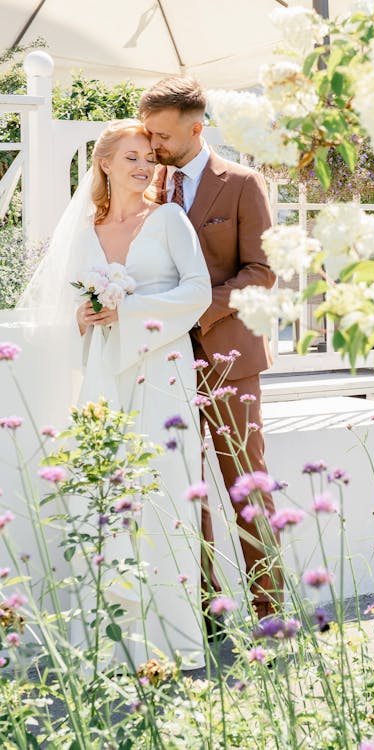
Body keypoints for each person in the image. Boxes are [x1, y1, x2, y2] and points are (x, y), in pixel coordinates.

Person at [20, 119, 212, 670]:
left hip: (162, 368)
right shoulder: (83, 232)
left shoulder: (170, 218)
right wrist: (84, 314)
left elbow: (196, 291)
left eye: (148, 157)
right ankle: (110, 646)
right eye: (131, 156)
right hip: (106, 372)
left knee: (165, 490)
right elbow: (63, 311)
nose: (144, 165)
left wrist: (130, 310)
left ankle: (173, 640)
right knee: (107, 490)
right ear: (104, 163)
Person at [138, 78, 283, 624]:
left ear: (197, 129)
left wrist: (195, 306)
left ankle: (269, 611)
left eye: (163, 135)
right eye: (148, 134)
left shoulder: (243, 184)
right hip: (164, 361)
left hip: (231, 361)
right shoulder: (146, 184)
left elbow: (262, 273)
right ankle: (206, 613)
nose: (153, 146)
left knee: (245, 484)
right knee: (183, 488)